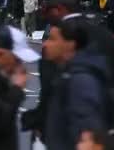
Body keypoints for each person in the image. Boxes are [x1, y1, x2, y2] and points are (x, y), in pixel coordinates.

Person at [21, 0, 114, 145]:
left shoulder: (57, 36)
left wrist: (39, 122)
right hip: (101, 132)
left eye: (47, 11)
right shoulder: (104, 35)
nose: (45, 16)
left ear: (58, 9)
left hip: (63, 131)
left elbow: (49, 88)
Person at [42, 18, 109, 150]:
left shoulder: (81, 80)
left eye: (52, 39)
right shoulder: (67, 73)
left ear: (70, 44)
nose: (45, 44)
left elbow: (88, 131)